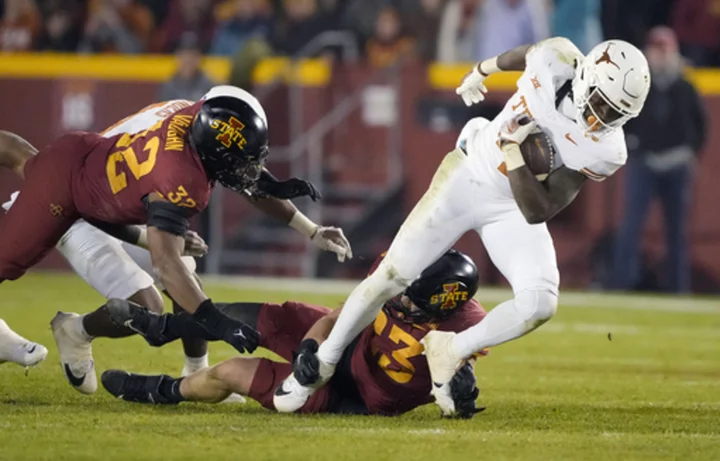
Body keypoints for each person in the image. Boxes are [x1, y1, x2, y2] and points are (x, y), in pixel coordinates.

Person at [273, 37, 651, 417]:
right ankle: (320, 365)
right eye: (602, 102)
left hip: (513, 208)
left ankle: (451, 350)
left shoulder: (606, 149)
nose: (602, 117)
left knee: (541, 302)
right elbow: (525, 54)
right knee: (392, 275)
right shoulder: (558, 57)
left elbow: (539, 210)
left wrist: (513, 153)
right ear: (585, 75)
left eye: (616, 113)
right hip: (468, 176)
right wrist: (484, 69)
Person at [0, 85, 353, 394]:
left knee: (184, 270)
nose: (249, 169)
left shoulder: (194, 115)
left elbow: (236, 171)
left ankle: (196, 373)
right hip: (71, 201)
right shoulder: (179, 177)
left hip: (105, 184)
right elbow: (165, 263)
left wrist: (308, 227)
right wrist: (219, 323)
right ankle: (67, 331)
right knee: (153, 301)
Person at [100, 249, 486, 418]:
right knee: (266, 317)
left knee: (232, 372)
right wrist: (309, 347)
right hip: (351, 341)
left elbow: (457, 386)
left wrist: (459, 392)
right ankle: (162, 327)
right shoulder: (398, 270)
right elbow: (340, 316)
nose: (399, 299)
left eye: (411, 298)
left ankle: (162, 391)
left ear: (444, 303)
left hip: (355, 397)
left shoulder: (466, 326)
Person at [610, 27, 707, 293]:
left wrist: (687, 152)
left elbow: (699, 127)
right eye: (656, 48)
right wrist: (634, 146)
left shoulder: (685, 86)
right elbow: (625, 122)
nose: (661, 54)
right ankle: (620, 284)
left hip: (677, 164)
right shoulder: (638, 86)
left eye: (665, 48)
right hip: (645, 161)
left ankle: (678, 288)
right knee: (631, 225)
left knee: (677, 231)